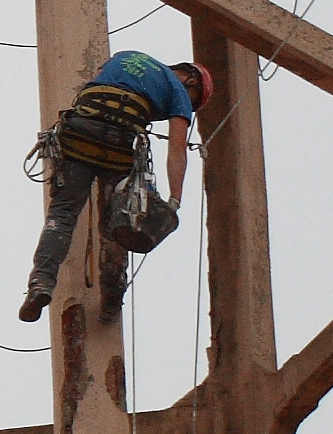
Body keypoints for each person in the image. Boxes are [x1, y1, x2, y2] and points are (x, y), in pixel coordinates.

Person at [17, 52, 214, 324]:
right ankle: (112, 294)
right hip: (119, 144)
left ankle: (40, 283)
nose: (187, 107)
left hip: (80, 132)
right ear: (191, 80)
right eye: (193, 103)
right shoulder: (177, 89)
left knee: (61, 216)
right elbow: (177, 150)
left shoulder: (123, 58)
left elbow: (96, 81)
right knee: (120, 220)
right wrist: (174, 200)